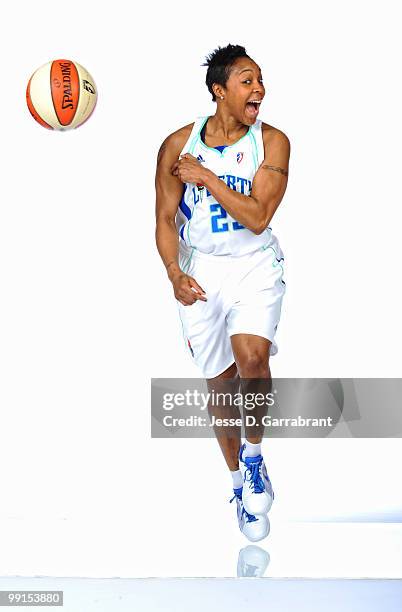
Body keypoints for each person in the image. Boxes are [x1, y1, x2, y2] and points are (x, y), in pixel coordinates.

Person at [155, 44, 290, 541]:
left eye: (260, 81)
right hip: (202, 269)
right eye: (248, 81)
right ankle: (238, 486)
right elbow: (163, 221)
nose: (259, 89)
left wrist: (207, 177)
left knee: (252, 358)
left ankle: (254, 456)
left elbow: (257, 217)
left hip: (254, 264)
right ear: (219, 90)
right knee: (221, 385)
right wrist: (173, 272)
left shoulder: (271, 143)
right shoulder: (176, 145)